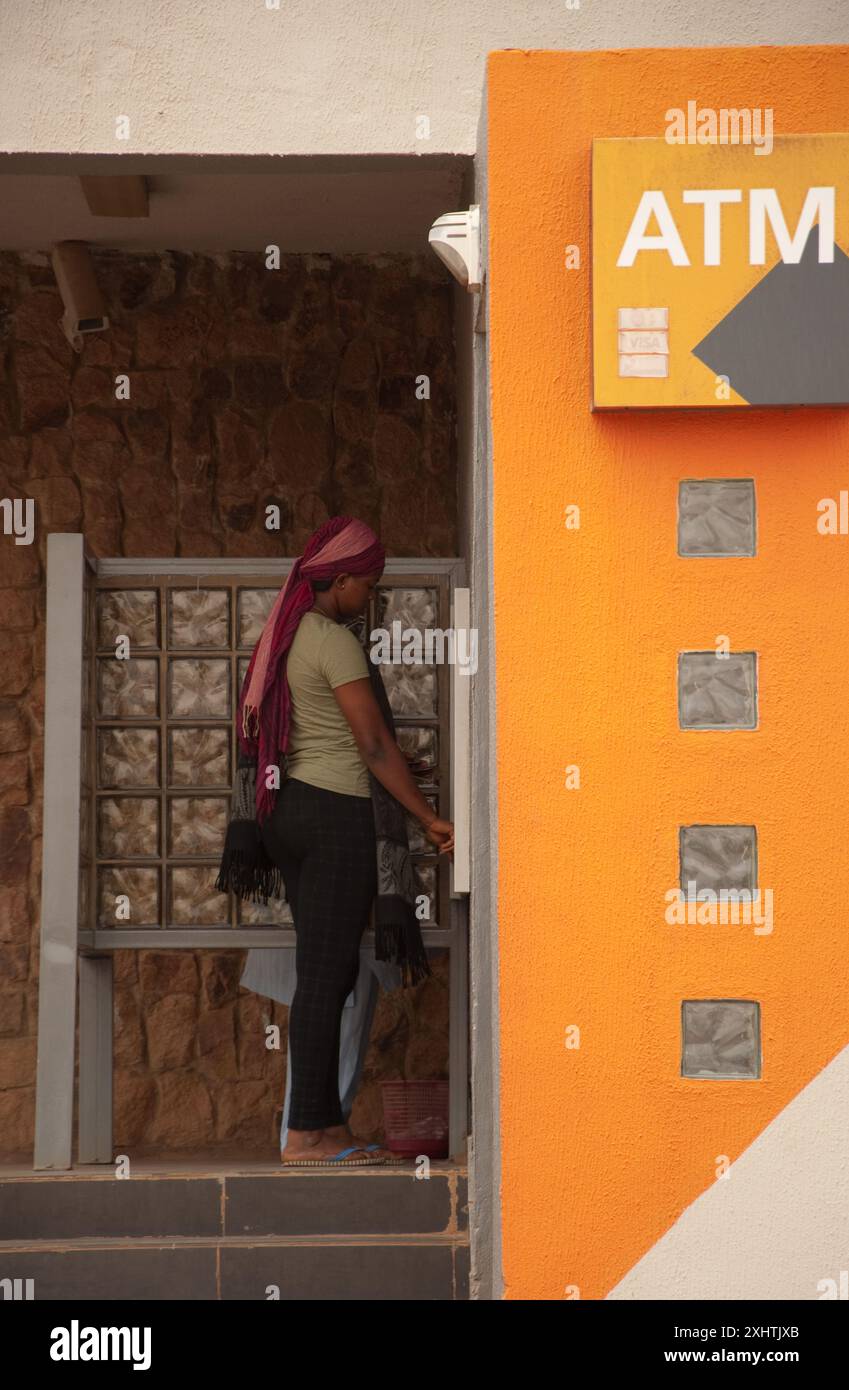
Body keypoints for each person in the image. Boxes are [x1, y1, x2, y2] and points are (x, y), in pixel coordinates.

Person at [221, 516, 454, 1166]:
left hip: (288, 815)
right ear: (341, 579)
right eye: (367, 586)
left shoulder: (283, 635)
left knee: (326, 973)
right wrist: (425, 818)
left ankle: (320, 1127)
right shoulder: (331, 640)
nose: (370, 598)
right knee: (325, 978)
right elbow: (372, 745)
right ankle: (308, 1134)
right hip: (336, 819)